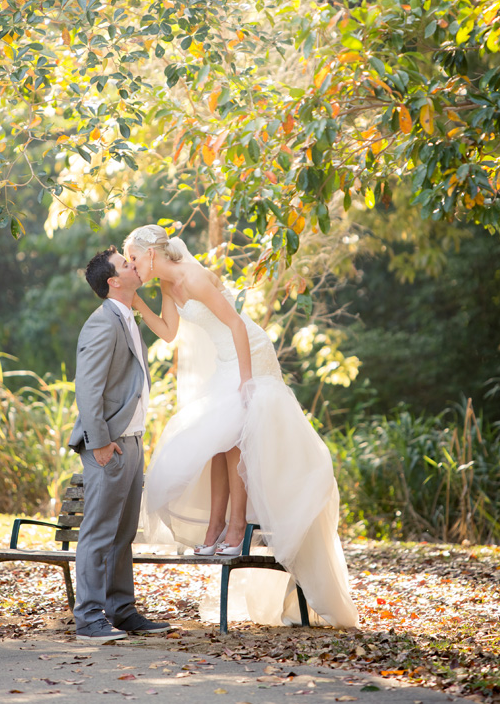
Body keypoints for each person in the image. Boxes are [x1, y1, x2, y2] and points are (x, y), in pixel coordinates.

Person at [125, 225, 359, 629]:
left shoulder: (194, 277)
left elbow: (235, 325)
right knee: (213, 439)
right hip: (225, 360)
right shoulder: (166, 287)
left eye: (132, 258)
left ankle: (236, 528)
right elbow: (168, 333)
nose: (130, 266)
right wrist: (136, 304)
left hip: (248, 353)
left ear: (150, 254)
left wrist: (247, 384)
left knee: (234, 432)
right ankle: (216, 528)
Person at [68, 246, 171, 642]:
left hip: (131, 442)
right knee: (98, 533)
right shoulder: (102, 323)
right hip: (107, 445)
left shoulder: (127, 316)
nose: (133, 265)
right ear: (113, 281)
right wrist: (100, 443)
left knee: (123, 533)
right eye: (125, 264)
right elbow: (88, 389)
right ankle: (89, 619)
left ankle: (121, 610)